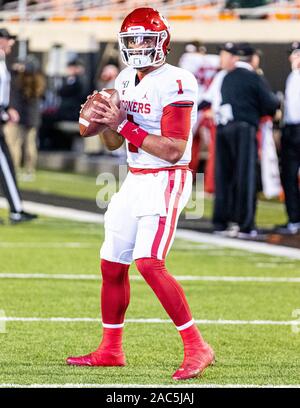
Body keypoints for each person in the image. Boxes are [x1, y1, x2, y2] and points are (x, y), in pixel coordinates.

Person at [66, 7, 215, 380]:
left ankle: (198, 346)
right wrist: (104, 123)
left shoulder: (177, 81)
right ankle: (111, 349)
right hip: (135, 176)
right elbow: (118, 139)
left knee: (149, 263)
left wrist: (122, 123)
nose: (138, 46)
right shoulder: (127, 79)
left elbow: (173, 149)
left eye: (146, 39)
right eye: (132, 40)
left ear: (163, 41)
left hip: (168, 177)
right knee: (112, 262)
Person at [212, 42, 279, 237]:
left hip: (223, 128)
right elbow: (269, 104)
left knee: (224, 176)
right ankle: (245, 224)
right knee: (245, 176)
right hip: (243, 129)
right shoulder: (254, 77)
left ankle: (221, 221)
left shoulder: (226, 77)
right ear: (253, 59)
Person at [0, 28, 37, 224]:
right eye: (7, 39)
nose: (11, 43)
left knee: (6, 162)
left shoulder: (3, 61)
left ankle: (16, 209)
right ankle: (16, 210)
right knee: (5, 163)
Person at [5, 55, 46, 181]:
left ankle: (15, 168)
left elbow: (12, 85)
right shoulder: (40, 81)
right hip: (33, 117)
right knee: (30, 144)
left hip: (20, 115)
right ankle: (29, 170)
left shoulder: (21, 80)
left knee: (15, 144)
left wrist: (15, 70)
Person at [276, 42, 300, 234]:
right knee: (288, 175)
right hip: (291, 129)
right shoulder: (292, 76)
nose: (294, 58)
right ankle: (294, 219)